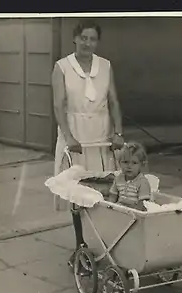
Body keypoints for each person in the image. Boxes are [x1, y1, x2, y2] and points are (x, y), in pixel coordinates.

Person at [51, 19, 125, 268]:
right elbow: (58, 105)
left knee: (105, 191)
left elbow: (113, 101)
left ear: (97, 42)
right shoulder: (61, 67)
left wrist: (118, 133)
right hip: (75, 134)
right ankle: (80, 246)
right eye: (83, 37)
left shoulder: (105, 66)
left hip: (101, 134)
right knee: (78, 193)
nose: (87, 43)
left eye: (92, 39)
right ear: (75, 38)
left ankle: (104, 244)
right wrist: (69, 136)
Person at [108, 142, 151, 211]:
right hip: (120, 210)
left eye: (134, 163)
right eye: (125, 162)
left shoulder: (142, 182)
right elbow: (112, 197)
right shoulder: (118, 179)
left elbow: (142, 204)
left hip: (134, 212)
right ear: (119, 163)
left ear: (141, 165)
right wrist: (110, 207)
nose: (129, 166)